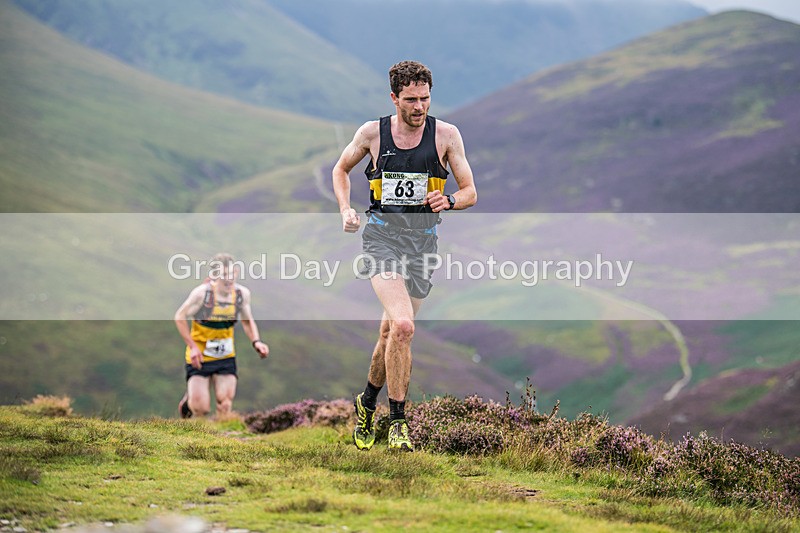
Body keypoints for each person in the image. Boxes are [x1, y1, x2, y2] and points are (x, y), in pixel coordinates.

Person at [332, 60, 477, 451]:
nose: (419, 107)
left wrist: (447, 199)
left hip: (423, 246)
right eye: (411, 100)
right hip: (381, 240)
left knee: (390, 333)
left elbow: (470, 192)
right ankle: (397, 423)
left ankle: (365, 402)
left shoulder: (446, 136)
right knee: (404, 327)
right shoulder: (372, 134)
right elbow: (341, 170)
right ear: (394, 97)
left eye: (425, 98)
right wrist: (346, 209)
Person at [174, 253, 269, 418]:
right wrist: (193, 346)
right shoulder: (202, 295)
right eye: (224, 275)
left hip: (225, 355)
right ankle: (189, 400)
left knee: (224, 404)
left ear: (237, 273)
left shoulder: (241, 295)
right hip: (200, 356)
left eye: (231, 274)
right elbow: (179, 317)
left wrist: (256, 342)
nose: (228, 279)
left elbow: (247, 321)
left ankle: (221, 440)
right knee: (201, 409)